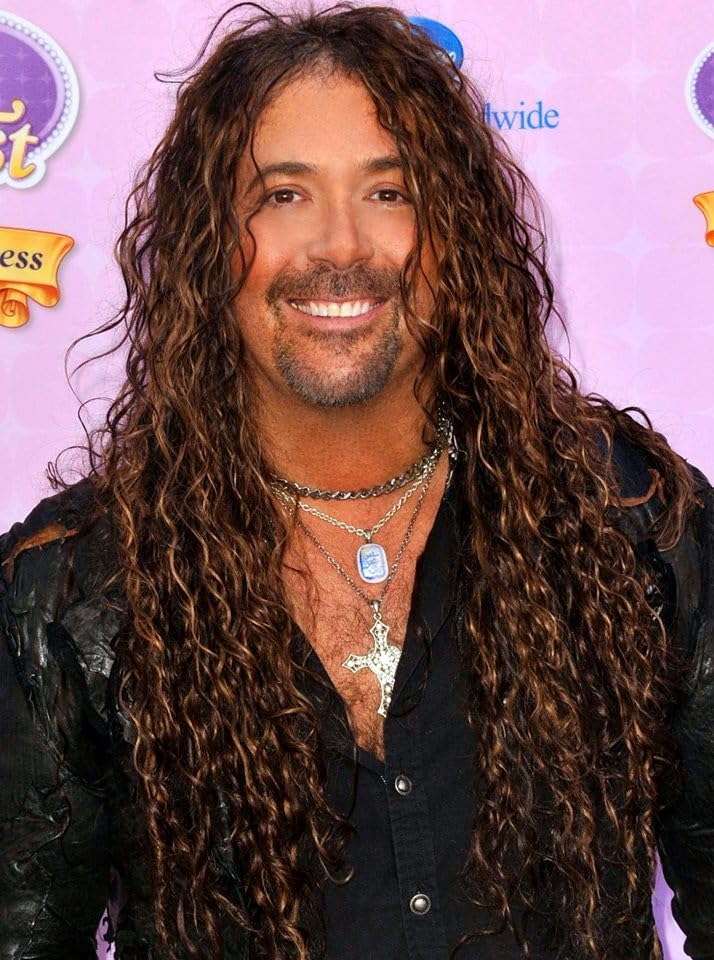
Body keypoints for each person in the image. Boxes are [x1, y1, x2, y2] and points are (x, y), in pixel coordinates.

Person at [1, 4, 712, 959]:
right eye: (283, 195)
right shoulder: (75, 585)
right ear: (206, 244)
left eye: (389, 191)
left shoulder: (630, 520)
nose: (340, 246)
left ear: (455, 234)